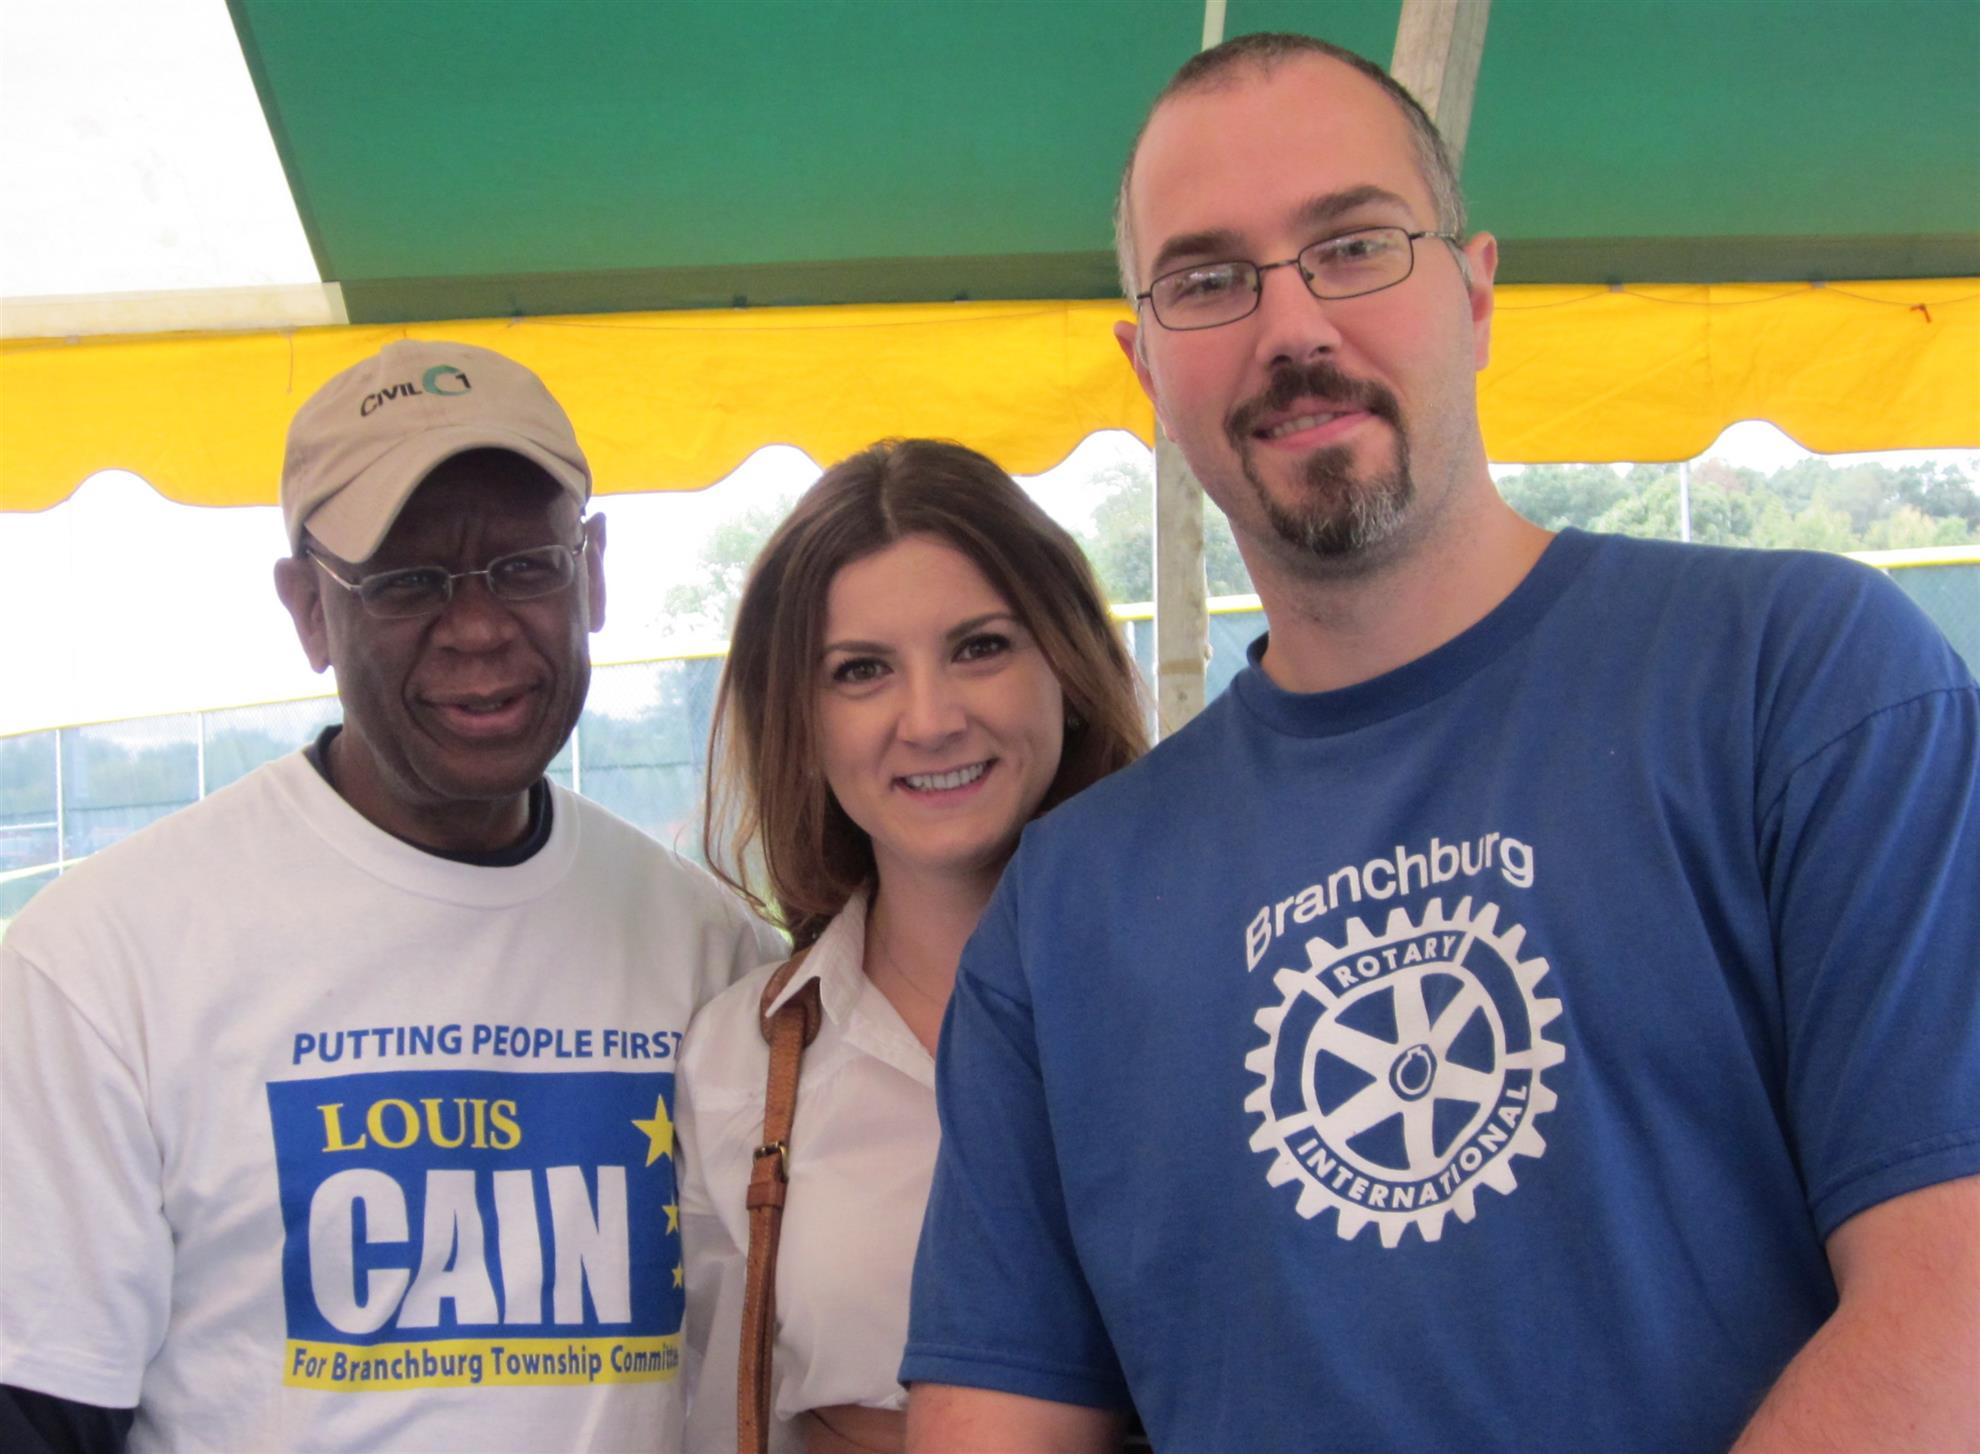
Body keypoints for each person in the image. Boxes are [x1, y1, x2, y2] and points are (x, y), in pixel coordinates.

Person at [902, 33, 1980, 1454]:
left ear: (1475, 292)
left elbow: (1950, 1310)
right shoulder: (1062, 916)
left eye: (1354, 245)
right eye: (1208, 279)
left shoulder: (1805, 679)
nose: (1293, 326)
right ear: (1145, 363)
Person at [0, 339, 785, 1454]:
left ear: (595, 573)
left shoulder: (716, 954)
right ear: (309, 610)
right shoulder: (101, 964)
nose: (480, 625)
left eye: (527, 566)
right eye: (407, 582)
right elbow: (40, 1408)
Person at [674, 439, 1146, 1453]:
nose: (930, 720)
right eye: (861, 671)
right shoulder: (737, 1061)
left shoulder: (1215, 988)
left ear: (1067, 666)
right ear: (797, 719)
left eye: (980, 647)